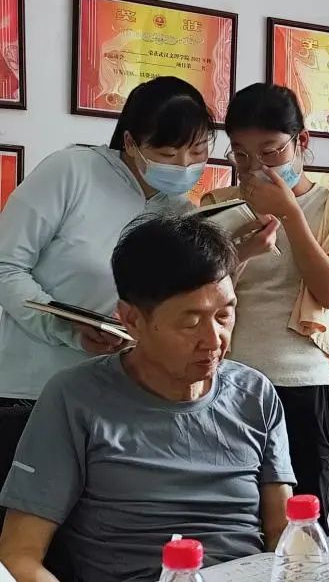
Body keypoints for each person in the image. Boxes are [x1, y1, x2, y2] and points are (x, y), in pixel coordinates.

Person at [0, 215, 294, 581]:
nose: (214, 339)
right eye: (191, 322)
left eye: (224, 315)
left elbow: (284, 534)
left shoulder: (254, 394)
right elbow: (18, 556)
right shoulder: (76, 398)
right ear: (131, 320)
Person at [202, 83, 329, 529]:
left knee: (301, 523)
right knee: (231, 521)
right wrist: (242, 252)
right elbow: (199, 294)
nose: (255, 167)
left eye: (271, 151)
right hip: (228, 378)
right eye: (241, 155)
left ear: (301, 141)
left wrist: (291, 215)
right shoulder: (216, 205)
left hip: (305, 382)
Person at [0, 77, 212, 405]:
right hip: (32, 390)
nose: (184, 166)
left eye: (197, 151)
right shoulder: (72, 171)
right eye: (167, 153)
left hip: (122, 396)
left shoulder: (181, 212)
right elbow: (6, 266)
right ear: (130, 142)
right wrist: (67, 330)